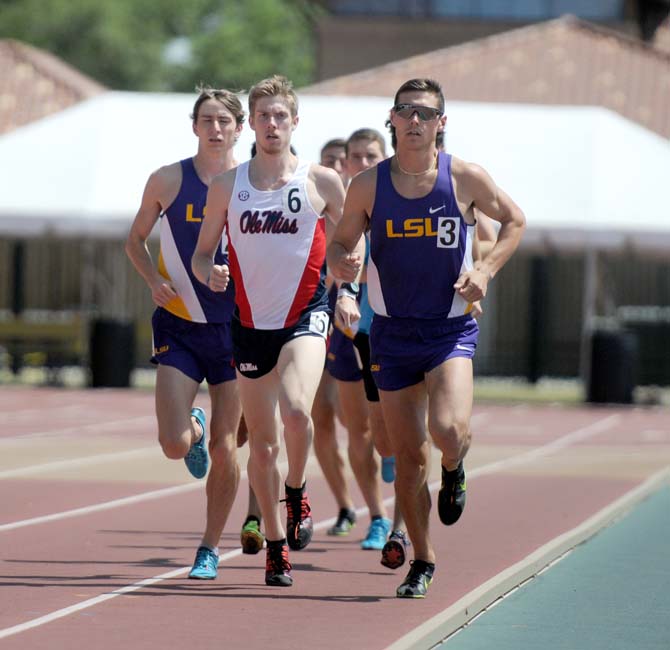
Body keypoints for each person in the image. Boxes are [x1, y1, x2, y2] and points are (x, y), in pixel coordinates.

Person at [328, 78, 526, 598]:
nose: (414, 121)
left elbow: (515, 222)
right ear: (392, 119)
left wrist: (484, 270)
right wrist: (344, 262)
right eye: (405, 112)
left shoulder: (463, 177)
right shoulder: (368, 185)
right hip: (392, 333)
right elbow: (341, 243)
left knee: (446, 429)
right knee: (406, 455)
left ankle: (456, 465)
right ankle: (423, 559)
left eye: (425, 113)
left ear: (442, 122)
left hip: (449, 329)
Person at [192, 75, 361, 588]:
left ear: (294, 122)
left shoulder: (322, 181)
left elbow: (353, 239)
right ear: (252, 123)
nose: (271, 124)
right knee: (261, 447)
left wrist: (349, 289)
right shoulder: (228, 186)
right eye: (263, 115)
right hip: (249, 325)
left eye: (279, 116)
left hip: (305, 316)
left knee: (295, 409)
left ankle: (298, 488)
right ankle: (275, 544)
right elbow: (202, 253)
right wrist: (209, 272)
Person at [125, 87, 264, 581]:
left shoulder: (254, 183)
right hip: (180, 325)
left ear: (239, 128)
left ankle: (208, 546)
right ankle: (194, 429)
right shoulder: (168, 179)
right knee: (172, 443)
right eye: (207, 119)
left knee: (230, 446)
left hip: (235, 330)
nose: (216, 128)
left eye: (225, 121)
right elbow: (135, 239)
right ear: (194, 126)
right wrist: (153, 279)